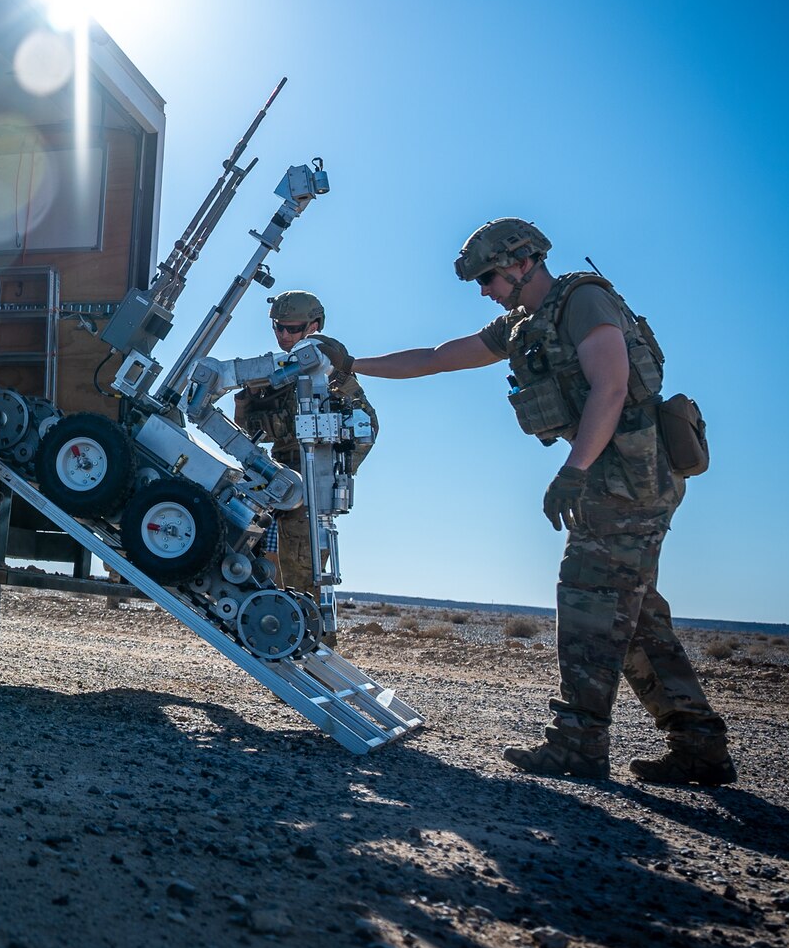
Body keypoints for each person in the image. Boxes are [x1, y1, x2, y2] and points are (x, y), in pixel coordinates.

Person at [354, 219, 733, 785]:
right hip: (612, 478)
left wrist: (573, 471)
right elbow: (438, 356)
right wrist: (351, 364)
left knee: (587, 598)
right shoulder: (522, 323)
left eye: (488, 277)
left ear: (523, 262)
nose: (485, 290)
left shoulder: (582, 300)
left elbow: (610, 385)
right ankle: (699, 746)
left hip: (630, 478)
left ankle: (578, 743)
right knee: (632, 617)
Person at [232, 290, 377, 642]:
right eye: (278, 328)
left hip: (310, 496)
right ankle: (287, 654)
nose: (284, 336)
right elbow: (248, 430)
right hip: (277, 487)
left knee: (305, 583)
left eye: (292, 329)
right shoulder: (275, 375)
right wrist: (247, 395)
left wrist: (330, 478)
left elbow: (366, 430)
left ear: (314, 326)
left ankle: (314, 662)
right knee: (266, 573)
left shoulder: (331, 376)